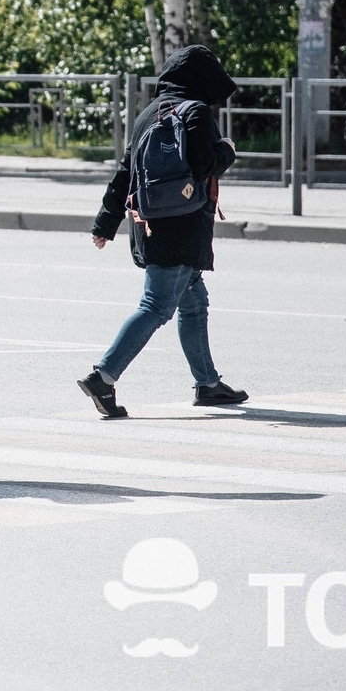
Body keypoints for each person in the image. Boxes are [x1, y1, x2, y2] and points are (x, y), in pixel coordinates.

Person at [80, 44, 250, 419]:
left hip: (150, 224)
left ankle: (207, 384)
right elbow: (206, 164)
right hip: (184, 224)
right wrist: (227, 150)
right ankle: (103, 377)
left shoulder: (148, 114)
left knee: (194, 302)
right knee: (156, 306)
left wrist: (105, 223)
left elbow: (125, 173)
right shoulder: (196, 112)